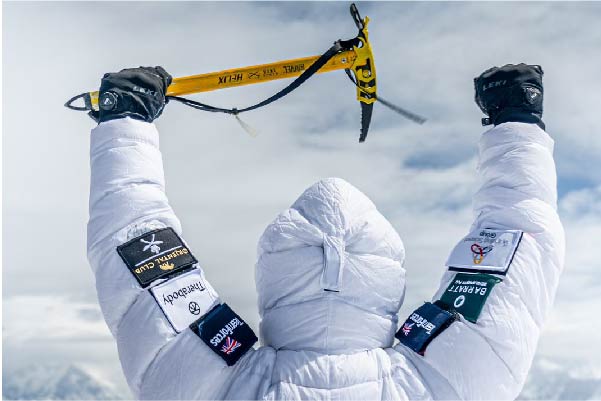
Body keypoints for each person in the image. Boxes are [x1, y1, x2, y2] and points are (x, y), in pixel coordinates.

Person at [87, 63, 564, 400]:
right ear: (388, 283)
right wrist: (517, 119)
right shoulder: (445, 380)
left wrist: (123, 121)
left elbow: (140, 250)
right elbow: (518, 241)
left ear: (270, 278)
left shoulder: (217, 381)